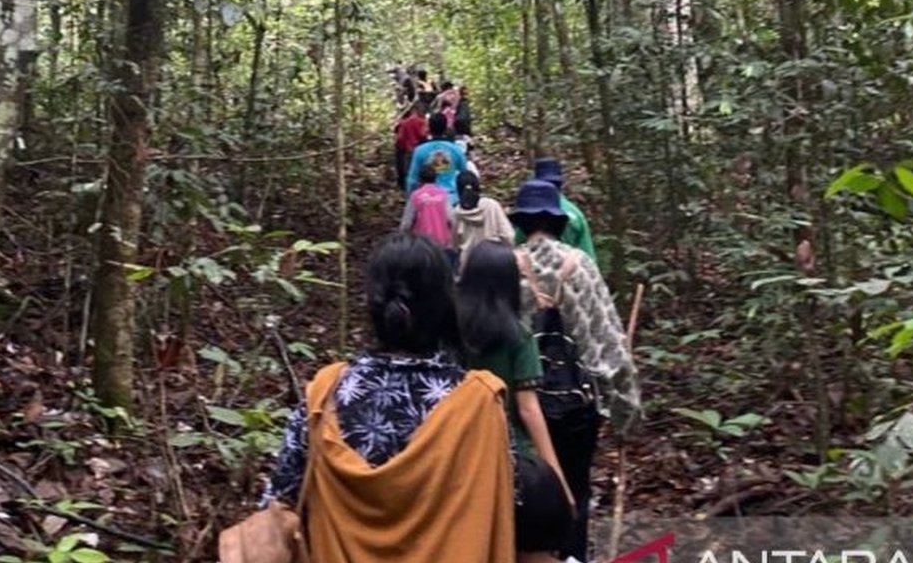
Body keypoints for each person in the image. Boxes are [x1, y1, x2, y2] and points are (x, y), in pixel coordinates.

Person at [264, 234, 515, 563]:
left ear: (373, 306)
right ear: (444, 306)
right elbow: (509, 500)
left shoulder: (323, 397)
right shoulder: (479, 403)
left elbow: (279, 500)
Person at [510, 179, 640, 562]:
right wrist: (626, 412)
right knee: (576, 489)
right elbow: (608, 341)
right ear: (560, 221)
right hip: (575, 404)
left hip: (521, 403)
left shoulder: (505, 264)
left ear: (522, 222)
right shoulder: (579, 265)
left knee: (525, 492)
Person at [457, 241, 575, 562]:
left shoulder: (450, 333)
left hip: (457, 452)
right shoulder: (518, 337)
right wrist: (555, 473)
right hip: (511, 459)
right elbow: (528, 408)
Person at [515, 157, 599, 269]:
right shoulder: (576, 214)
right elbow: (589, 256)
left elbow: (518, 243)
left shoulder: (529, 212)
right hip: (572, 273)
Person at [405, 112, 468, 204]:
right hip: (452, 198)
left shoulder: (420, 150)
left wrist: (410, 200)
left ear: (429, 128)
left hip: (427, 200)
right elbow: (465, 174)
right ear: (446, 128)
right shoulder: (456, 149)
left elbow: (412, 180)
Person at [453, 171, 513, 267]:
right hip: (495, 259)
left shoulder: (456, 213)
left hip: (469, 264)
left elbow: (454, 244)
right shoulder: (492, 205)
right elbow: (508, 235)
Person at [400, 164, 456, 268]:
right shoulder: (443, 194)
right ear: (436, 178)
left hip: (421, 243)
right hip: (442, 241)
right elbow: (451, 218)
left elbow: (407, 222)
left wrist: (403, 237)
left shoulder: (415, 196)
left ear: (420, 179)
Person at [393, 102, 428, 191]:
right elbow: (424, 135)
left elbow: (400, 139)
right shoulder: (422, 122)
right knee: (422, 174)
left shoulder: (404, 123)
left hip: (408, 151)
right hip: (421, 152)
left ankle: (410, 195)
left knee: (409, 174)